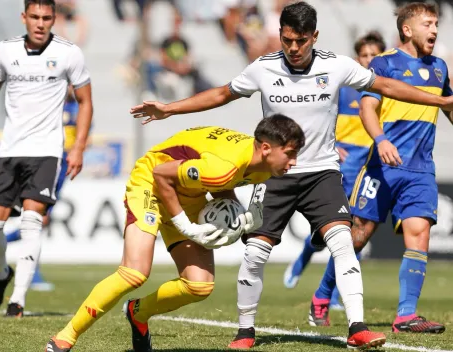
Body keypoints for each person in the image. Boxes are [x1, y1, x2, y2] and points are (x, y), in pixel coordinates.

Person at [129, 2, 453, 349]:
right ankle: (245, 332)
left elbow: (387, 87)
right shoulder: (263, 68)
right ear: (280, 35)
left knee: (343, 243)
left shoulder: (337, 65)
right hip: (276, 175)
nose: (294, 48)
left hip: (322, 174)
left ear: (314, 36)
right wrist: (169, 109)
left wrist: (441, 102)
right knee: (255, 253)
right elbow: (222, 94)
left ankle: (357, 326)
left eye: (301, 40)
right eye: (287, 40)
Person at [45, 114, 305, 352]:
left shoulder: (261, 167)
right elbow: (161, 174)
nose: (293, 162)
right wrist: (184, 225)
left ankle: (138, 312)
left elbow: (223, 185)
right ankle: (65, 336)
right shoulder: (224, 166)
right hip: (151, 183)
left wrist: (234, 213)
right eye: (290, 154)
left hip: (186, 193)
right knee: (134, 273)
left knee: (199, 285)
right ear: (266, 148)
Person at [0, 0, 92, 317]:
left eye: (46, 18)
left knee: (32, 221)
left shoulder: (68, 53)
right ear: (24, 18)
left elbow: (85, 101)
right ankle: (3, 273)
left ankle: (17, 301)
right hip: (10, 152)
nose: (40, 23)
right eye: (34, 17)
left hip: (47, 153)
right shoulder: (5, 51)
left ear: (54, 19)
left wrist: (79, 147)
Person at [347, 2, 449, 333]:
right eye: (427, 24)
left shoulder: (440, 69)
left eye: (436, 24)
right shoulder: (384, 62)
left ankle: (406, 314)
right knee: (357, 238)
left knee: (419, 234)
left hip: (420, 170)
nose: (434, 30)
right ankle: (324, 294)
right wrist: (381, 140)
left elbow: (449, 108)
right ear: (407, 29)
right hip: (382, 166)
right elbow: (366, 108)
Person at [283, 31, 386, 316]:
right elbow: (317, 117)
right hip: (344, 162)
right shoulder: (344, 87)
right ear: (357, 58)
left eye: (374, 55)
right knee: (336, 227)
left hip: (371, 164)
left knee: (355, 233)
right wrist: (335, 145)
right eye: (364, 55)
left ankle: (337, 293)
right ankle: (304, 259)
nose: (369, 60)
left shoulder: (385, 88)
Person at [2, 86, 80, 292]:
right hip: (46, 161)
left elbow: (83, 137)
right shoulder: (48, 101)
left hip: (61, 166)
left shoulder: (79, 108)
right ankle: (32, 272)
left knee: (40, 220)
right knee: (38, 219)